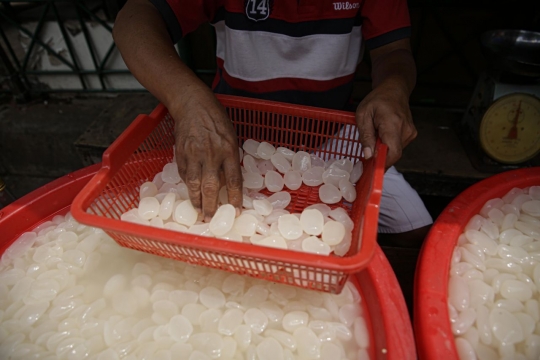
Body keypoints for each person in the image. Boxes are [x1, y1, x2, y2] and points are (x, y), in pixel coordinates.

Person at [113, 0, 433, 247]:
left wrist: (394, 87)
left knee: (416, 227)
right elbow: (135, 17)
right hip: (229, 136)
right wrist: (186, 99)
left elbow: (394, 51)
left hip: (335, 137)